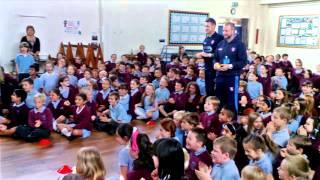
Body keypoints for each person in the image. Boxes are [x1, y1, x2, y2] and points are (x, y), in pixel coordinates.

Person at [214, 22, 248, 113]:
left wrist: (230, 66)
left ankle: (233, 122)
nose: (224, 33)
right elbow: (215, 58)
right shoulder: (220, 44)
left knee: (232, 101)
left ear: (233, 31)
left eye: (226, 31)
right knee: (219, 100)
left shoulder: (240, 44)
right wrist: (216, 64)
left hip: (232, 76)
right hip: (220, 76)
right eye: (223, 30)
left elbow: (243, 62)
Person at [196, 18, 224, 96]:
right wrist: (200, 55)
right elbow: (205, 53)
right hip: (207, 68)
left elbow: (222, 54)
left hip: (217, 69)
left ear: (214, 26)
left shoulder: (220, 38)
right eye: (205, 26)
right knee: (209, 89)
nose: (206, 28)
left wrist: (209, 55)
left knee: (217, 91)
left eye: (208, 26)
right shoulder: (206, 39)